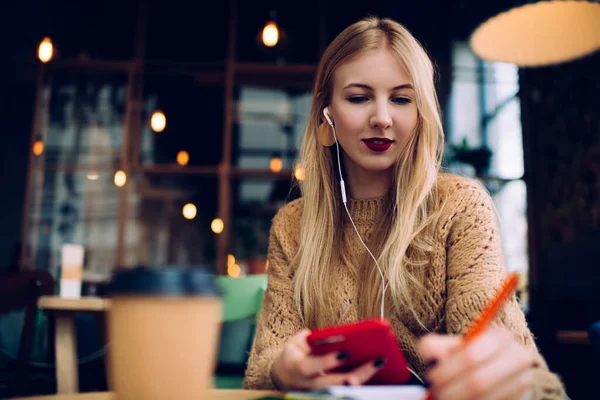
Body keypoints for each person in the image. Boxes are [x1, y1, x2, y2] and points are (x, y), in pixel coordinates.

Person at [244, 16, 565, 400]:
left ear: (421, 113)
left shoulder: (460, 208)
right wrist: (283, 369)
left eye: (401, 99)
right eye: (359, 97)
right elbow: (260, 375)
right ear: (325, 116)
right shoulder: (291, 226)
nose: (382, 118)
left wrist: (513, 384)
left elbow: (538, 388)